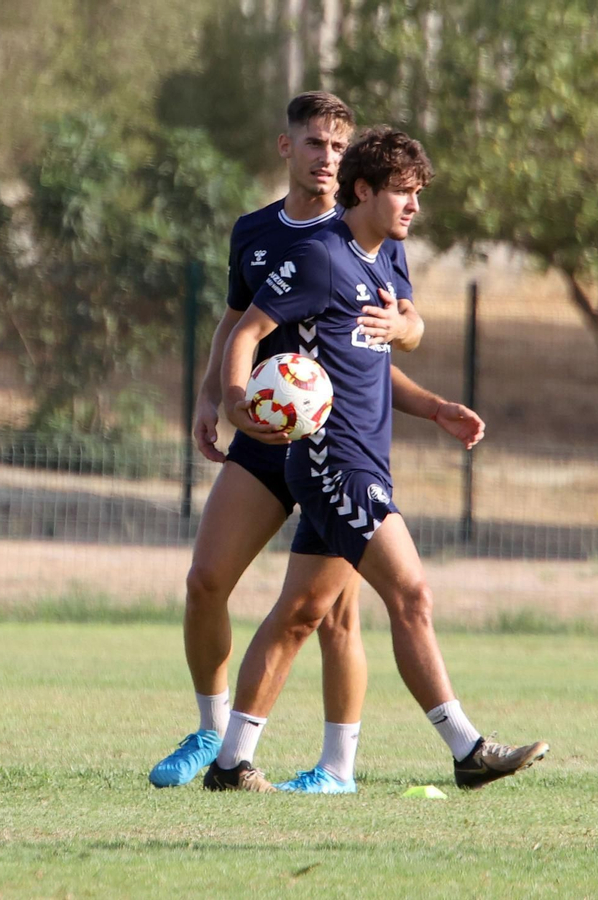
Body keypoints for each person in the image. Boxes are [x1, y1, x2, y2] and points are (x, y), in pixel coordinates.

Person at [149, 92, 485, 794]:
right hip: (265, 433)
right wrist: (217, 397)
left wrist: (412, 341)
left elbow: (397, 329)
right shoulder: (255, 233)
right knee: (205, 581)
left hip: (333, 443)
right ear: (287, 146)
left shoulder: (370, 231)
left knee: (334, 614)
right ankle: (214, 734)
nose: (327, 158)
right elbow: (235, 323)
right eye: (315, 144)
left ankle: (335, 767)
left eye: (339, 147)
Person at [212, 126, 547, 793]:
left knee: (300, 614)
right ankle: (467, 748)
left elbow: (370, 368)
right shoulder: (320, 258)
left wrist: (435, 407)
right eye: (402, 192)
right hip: (333, 462)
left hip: (365, 458)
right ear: (362, 190)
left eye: (418, 193)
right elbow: (246, 330)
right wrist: (234, 399)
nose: (414, 206)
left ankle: (230, 764)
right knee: (412, 593)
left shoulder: (379, 263)